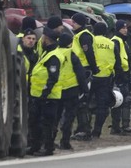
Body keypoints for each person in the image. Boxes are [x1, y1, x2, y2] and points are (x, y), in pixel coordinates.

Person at [27, 29, 64, 157]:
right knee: (35, 121)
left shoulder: (54, 56)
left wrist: (45, 93)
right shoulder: (47, 53)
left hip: (49, 96)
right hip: (38, 95)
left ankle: (47, 148)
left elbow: (53, 77)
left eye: (42, 38)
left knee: (47, 123)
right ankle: (35, 146)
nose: (41, 40)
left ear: (47, 39)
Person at [55, 33, 88, 150]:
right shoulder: (72, 55)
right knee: (69, 117)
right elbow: (80, 74)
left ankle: (51, 140)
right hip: (71, 90)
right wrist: (85, 90)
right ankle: (65, 141)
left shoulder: (54, 53)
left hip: (56, 90)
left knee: (55, 116)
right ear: (70, 43)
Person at [71, 14, 97, 141]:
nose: (72, 24)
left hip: (84, 71)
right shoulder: (79, 35)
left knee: (83, 102)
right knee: (81, 101)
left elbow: (89, 53)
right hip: (81, 70)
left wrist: (94, 68)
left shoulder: (84, 36)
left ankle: (84, 130)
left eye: (74, 22)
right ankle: (82, 128)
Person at [89, 22, 116, 139]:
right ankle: (97, 130)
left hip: (91, 76)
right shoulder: (111, 43)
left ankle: (85, 129)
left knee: (86, 103)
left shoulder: (91, 41)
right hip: (105, 77)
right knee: (102, 106)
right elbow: (115, 60)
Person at [110, 20, 131, 136]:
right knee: (121, 100)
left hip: (125, 74)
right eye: (123, 28)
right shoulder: (116, 41)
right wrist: (121, 74)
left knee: (121, 100)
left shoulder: (123, 41)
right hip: (119, 76)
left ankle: (118, 126)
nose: (125, 30)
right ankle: (123, 126)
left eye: (126, 28)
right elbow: (116, 60)